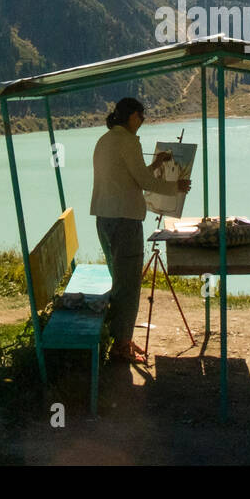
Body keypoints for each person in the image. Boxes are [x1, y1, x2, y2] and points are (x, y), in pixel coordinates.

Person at [90, 97, 191, 365]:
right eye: (142, 116)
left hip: (104, 218)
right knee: (129, 284)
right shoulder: (129, 141)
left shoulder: (106, 139)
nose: (143, 121)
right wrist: (175, 188)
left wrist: (157, 164)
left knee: (119, 280)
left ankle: (119, 338)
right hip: (124, 221)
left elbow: (130, 177)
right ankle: (121, 346)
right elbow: (144, 182)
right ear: (132, 116)